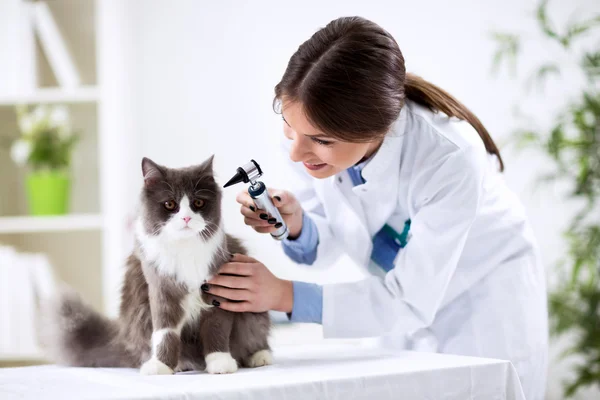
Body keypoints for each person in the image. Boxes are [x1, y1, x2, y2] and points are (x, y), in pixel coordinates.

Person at [204, 16, 547, 399]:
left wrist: (284, 295)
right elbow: (332, 245)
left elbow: (409, 300)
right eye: (288, 126)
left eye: (319, 140)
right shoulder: (308, 128)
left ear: (376, 129)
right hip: (395, 298)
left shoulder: (449, 157)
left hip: (482, 298)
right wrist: (297, 224)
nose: (297, 151)